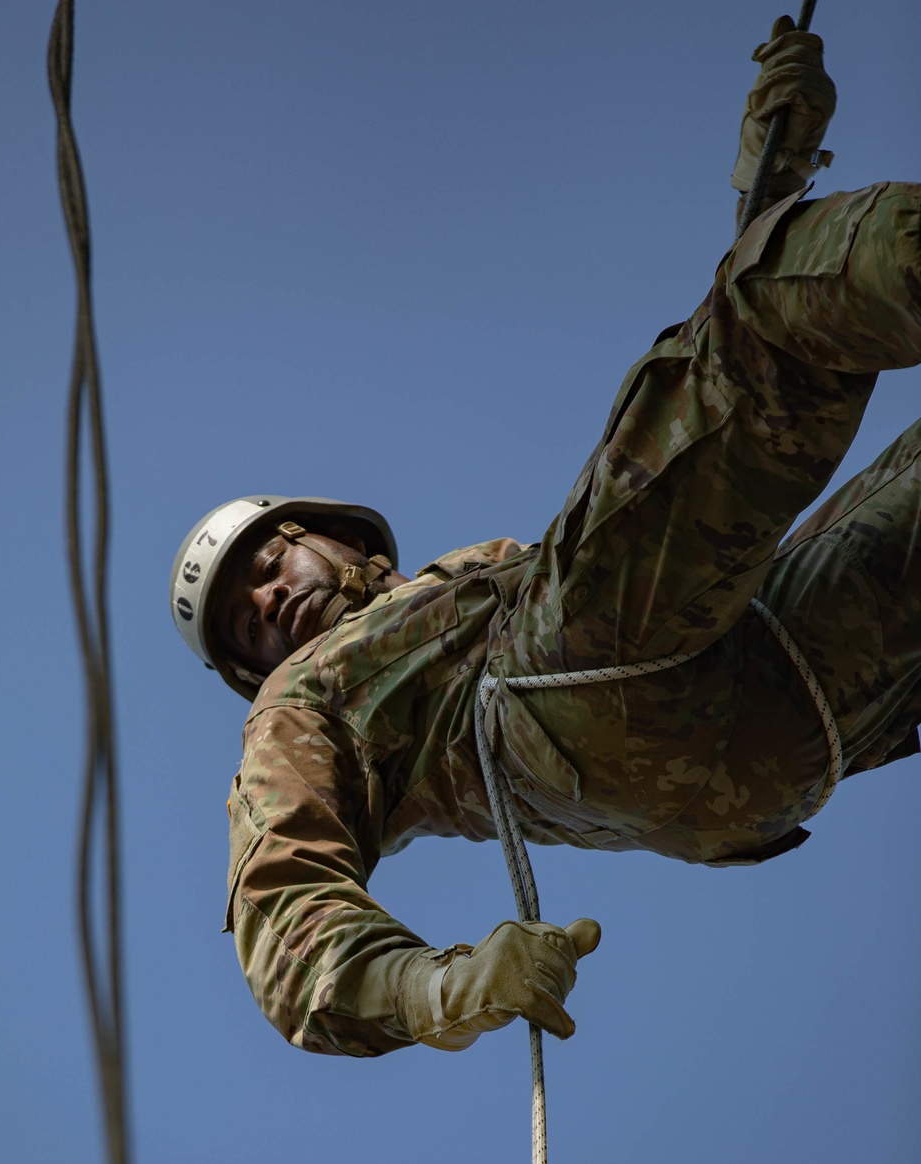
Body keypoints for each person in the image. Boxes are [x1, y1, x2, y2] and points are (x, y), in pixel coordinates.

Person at [170, 18, 921, 1058]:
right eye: (241, 626)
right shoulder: (300, 708)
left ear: (329, 540)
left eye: (264, 563)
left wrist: (771, 183)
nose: (264, 601)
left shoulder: (466, 576)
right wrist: (438, 988)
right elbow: (284, 915)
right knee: (759, 317)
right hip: (574, 699)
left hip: (776, 692)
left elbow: (692, 502)